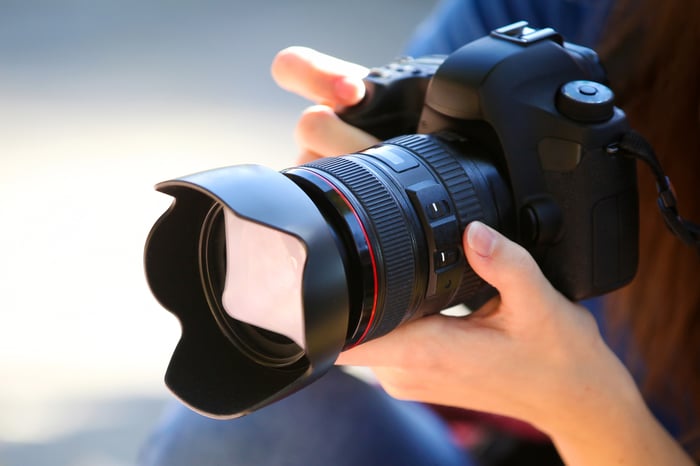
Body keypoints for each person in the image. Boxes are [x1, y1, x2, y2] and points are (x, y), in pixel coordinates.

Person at [140, 0, 700, 464]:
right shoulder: (573, 9)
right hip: (492, 446)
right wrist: (369, 151)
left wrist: (581, 409)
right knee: (233, 431)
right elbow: (456, 86)